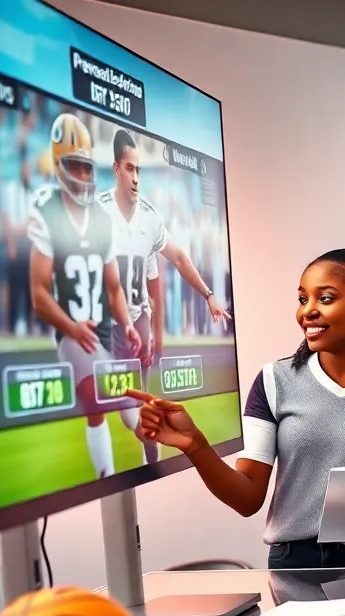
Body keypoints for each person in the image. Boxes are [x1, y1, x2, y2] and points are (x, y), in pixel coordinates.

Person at [129, 233, 345, 569]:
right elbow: (247, 498)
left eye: (325, 298)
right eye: (302, 299)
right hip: (293, 567)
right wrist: (195, 444)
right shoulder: (274, 383)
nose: (308, 311)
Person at [99, 128, 231, 467]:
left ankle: (152, 464)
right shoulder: (97, 213)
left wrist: (208, 294)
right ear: (116, 169)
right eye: (130, 168)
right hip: (104, 323)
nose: (136, 177)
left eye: (139, 169)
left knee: (136, 415)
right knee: (117, 410)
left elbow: (180, 258)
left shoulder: (149, 217)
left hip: (136, 322)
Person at [28, 113, 141, 479]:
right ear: (60, 165)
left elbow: (113, 288)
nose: (84, 176)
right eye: (76, 167)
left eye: (88, 168)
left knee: (133, 414)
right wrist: (72, 328)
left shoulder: (101, 219)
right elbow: (39, 294)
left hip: (105, 331)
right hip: (73, 329)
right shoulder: (47, 210)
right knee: (95, 399)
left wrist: (127, 322)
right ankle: (106, 478)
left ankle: (147, 468)